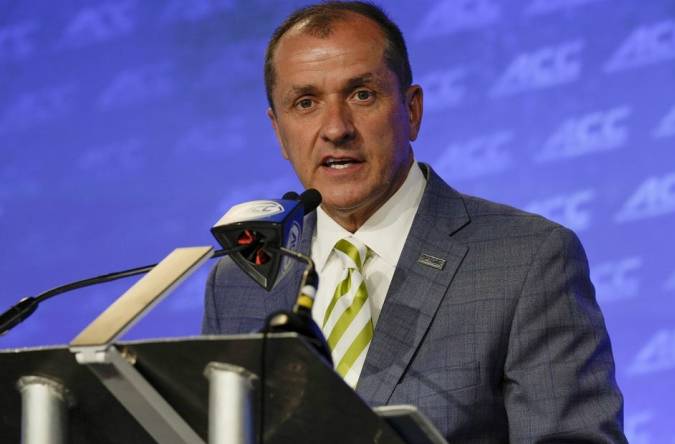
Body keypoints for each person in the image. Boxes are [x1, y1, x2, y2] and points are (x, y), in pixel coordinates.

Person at [203, 2, 626, 442]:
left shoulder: (527, 259)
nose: (335, 128)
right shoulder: (239, 281)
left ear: (412, 110)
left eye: (361, 94)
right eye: (305, 102)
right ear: (278, 132)